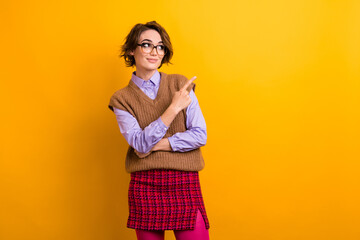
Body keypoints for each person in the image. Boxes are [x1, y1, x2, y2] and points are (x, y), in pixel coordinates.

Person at [108, 21, 210, 240]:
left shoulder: (181, 85)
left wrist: (151, 147)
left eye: (160, 46)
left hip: (184, 181)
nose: (155, 52)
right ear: (131, 50)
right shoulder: (121, 99)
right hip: (145, 185)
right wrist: (173, 108)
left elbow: (200, 135)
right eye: (146, 45)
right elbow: (139, 143)